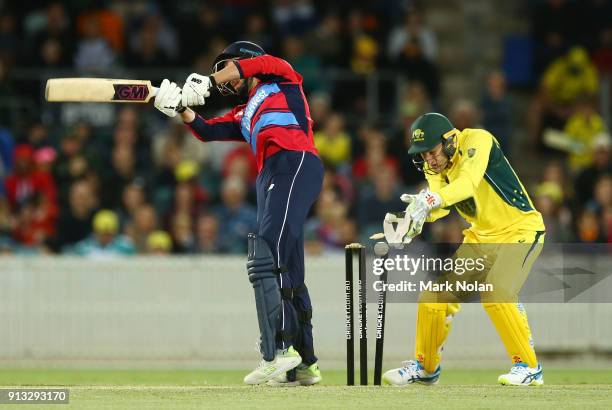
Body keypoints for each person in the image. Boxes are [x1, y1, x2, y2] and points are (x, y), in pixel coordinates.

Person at [153, 41, 324, 386]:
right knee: (285, 264)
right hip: (272, 174)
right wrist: (180, 109)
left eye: (226, 69)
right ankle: (303, 363)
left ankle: (276, 351)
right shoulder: (246, 112)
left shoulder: (284, 80)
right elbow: (207, 130)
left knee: (266, 257)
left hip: (294, 161)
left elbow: (263, 63)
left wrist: (209, 81)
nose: (224, 79)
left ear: (246, 62)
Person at [382, 113, 546, 386]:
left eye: (432, 152)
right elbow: (441, 205)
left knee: (497, 291)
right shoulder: (434, 167)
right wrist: (413, 218)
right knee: (433, 299)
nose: (429, 161)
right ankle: (425, 369)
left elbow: (467, 183)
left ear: (448, 141)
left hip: (521, 230)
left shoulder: (477, 140)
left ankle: (528, 367)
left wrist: (432, 199)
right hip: (480, 239)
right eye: (423, 156)